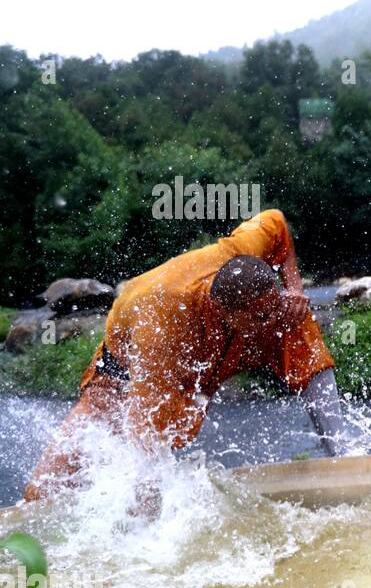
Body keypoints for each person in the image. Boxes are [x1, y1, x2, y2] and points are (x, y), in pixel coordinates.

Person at [24, 209, 344, 502]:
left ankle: (340, 453)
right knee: (46, 488)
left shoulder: (237, 255)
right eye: (261, 316)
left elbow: (276, 222)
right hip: (125, 374)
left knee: (294, 317)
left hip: (224, 337)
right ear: (223, 311)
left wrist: (294, 291)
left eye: (269, 309)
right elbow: (143, 434)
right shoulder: (160, 328)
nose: (271, 321)